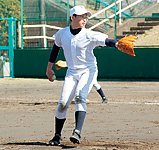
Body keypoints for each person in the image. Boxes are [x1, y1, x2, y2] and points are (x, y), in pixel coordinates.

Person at [46, 5, 118, 145]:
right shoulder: (62, 34)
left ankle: (77, 132)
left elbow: (106, 41)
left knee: (80, 97)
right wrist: (49, 69)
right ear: (72, 17)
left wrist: (117, 44)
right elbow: (55, 50)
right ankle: (57, 136)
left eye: (86, 17)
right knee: (63, 103)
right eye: (81, 17)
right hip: (71, 72)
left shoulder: (88, 34)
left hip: (88, 70)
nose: (85, 19)